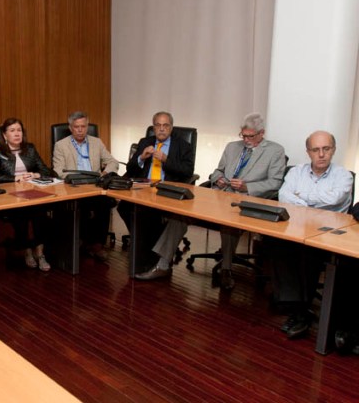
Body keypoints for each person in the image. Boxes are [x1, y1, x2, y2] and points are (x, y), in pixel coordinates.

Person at [135, 113, 286, 290]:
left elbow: (275, 183)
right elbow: (217, 171)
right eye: (243, 135)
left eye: (250, 136)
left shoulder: (275, 151)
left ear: (262, 133)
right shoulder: (232, 147)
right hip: (219, 194)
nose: (245, 139)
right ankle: (163, 264)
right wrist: (219, 178)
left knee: (229, 223)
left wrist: (247, 188)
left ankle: (226, 269)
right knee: (180, 214)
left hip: (246, 200)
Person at [271, 131, 352, 339]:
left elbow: (333, 199)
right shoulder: (296, 172)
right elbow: (284, 195)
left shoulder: (343, 176)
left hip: (328, 235)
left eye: (326, 149)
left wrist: (300, 197)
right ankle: (295, 306)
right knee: (277, 244)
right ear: (308, 152)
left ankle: (301, 312)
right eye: (316, 149)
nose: (322, 154)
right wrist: (310, 201)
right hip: (297, 228)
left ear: (334, 150)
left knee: (309, 255)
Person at [117, 111, 195, 255]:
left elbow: (188, 172)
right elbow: (130, 167)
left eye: (165, 125)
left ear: (171, 127)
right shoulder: (144, 142)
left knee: (151, 213)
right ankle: (141, 240)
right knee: (123, 207)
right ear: (153, 128)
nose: (161, 128)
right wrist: (141, 157)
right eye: (158, 125)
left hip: (166, 190)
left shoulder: (183, 146)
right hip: (143, 188)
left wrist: (166, 160)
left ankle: (149, 245)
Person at [0, 118, 56, 271]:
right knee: (22, 213)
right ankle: (26, 251)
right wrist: (14, 178)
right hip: (10, 197)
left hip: (33, 193)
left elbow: (46, 170)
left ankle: (40, 252)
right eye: (12, 131)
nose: (17, 134)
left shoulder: (29, 149)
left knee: (40, 212)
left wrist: (35, 175)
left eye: (19, 130)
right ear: (5, 135)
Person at [52, 111, 119, 261]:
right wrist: (77, 179)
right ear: (70, 128)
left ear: (87, 126)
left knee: (105, 203)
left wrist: (105, 172)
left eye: (83, 126)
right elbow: (58, 170)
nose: (80, 130)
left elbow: (113, 162)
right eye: (77, 127)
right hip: (74, 187)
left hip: (96, 186)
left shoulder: (97, 142)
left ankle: (97, 244)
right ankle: (79, 240)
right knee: (80, 205)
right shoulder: (61, 145)